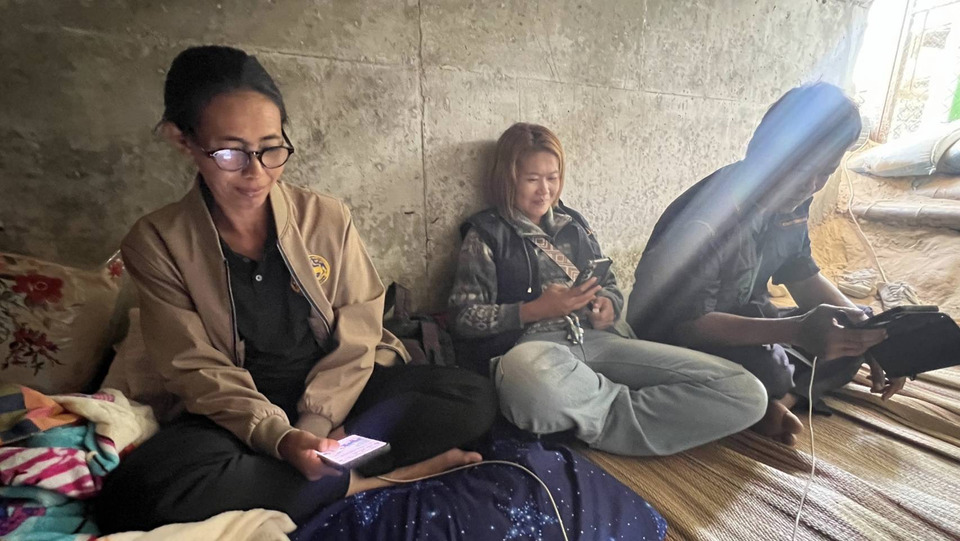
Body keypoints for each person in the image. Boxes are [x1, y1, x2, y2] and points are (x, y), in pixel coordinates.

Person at [95, 45, 497, 533]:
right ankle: (367, 482)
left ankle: (315, 474)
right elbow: (194, 368)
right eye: (230, 153)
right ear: (183, 141)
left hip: (338, 398)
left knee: (470, 397)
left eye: (271, 148)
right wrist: (281, 440)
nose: (256, 173)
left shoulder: (325, 217)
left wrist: (314, 429)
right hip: (236, 415)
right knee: (133, 496)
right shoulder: (157, 241)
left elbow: (359, 333)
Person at [447, 122, 768, 457]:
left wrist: (609, 307)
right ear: (508, 179)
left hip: (598, 341)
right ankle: (629, 412)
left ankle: (595, 411)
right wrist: (533, 310)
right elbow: (462, 319)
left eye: (552, 178)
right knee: (527, 382)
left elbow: (611, 284)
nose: (545, 190)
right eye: (532, 179)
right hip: (536, 352)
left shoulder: (575, 226)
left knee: (744, 391)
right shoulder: (486, 234)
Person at [626, 82, 905, 446]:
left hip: (741, 315)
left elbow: (802, 276)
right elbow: (688, 327)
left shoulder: (793, 202)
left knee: (845, 337)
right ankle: (770, 397)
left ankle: (776, 401)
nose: (812, 185)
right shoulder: (709, 216)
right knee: (769, 368)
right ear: (767, 149)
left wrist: (871, 334)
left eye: (825, 172)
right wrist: (795, 331)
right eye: (802, 169)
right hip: (672, 333)